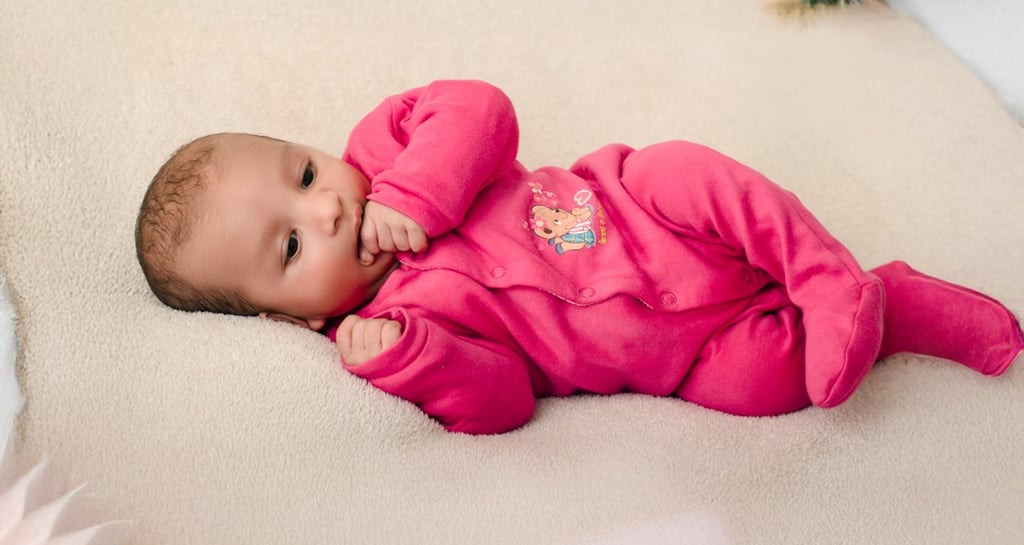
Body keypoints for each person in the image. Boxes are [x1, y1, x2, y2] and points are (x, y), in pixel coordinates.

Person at [135, 79, 1024, 434]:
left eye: (302, 172)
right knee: (762, 384)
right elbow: (503, 400)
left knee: (684, 168)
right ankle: (893, 306)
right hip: (687, 355)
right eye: (292, 244)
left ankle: (825, 276)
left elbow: (483, 110)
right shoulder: (389, 331)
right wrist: (415, 360)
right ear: (289, 316)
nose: (327, 204)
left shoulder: (387, 149)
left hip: (643, 211)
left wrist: (416, 194)